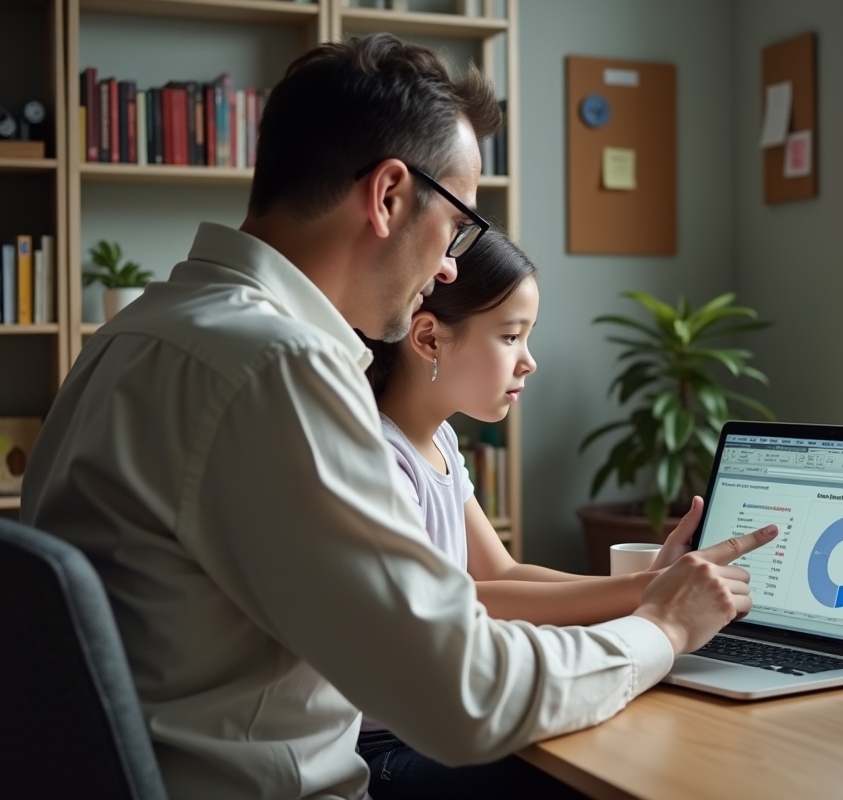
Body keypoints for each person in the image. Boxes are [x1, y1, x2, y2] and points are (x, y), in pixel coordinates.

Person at [19, 34, 776, 800]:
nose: (450, 265)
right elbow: (467, 697)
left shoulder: (134, 334)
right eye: (458, 225)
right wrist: (664, 631)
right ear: (387, 196)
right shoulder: (277, 366)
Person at [356, 230, 728, 796]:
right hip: (385, 750)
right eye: (511, 336)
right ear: (429, 338)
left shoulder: (442, 445)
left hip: (431, 730)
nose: (529, 361)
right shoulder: (382, 458)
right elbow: (473, 600)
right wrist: (653, 598)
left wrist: (654, 585)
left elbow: (500, 573)